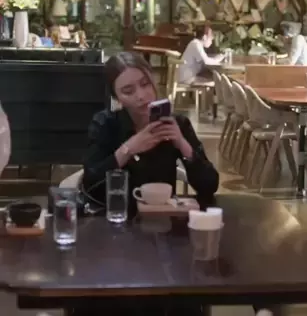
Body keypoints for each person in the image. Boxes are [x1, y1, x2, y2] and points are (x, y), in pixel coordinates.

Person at [80, 52, 219, 316]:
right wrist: (130, 148)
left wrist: (182, 144)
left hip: (166, 235)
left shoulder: (177, 123)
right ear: (116, 97)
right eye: (128, 91)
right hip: (115, 235)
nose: (141, 96)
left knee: (180, 297)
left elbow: (209, 186)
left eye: (145, 84)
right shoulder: (106, 124)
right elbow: (91, 182)